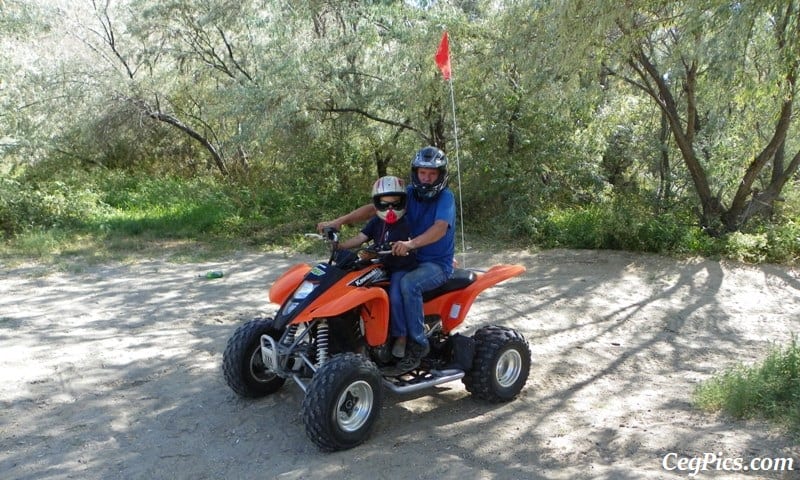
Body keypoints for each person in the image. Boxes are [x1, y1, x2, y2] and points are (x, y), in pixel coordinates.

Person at [318, 146, 456, 371]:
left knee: (408, 284)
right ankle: (373, 341)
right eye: (423, 173)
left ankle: (418, 345)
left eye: (432, 174)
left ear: (440, 175)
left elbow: (440, 228)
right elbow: (375, 209)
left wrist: (411, 244)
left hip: (436, 263)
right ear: (416, 173)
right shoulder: (410, 193)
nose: (427, 179)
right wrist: (338, 222)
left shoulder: (445, 198)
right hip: (408, 258)